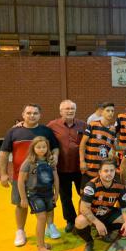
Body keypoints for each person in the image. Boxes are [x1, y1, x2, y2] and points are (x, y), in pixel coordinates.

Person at [0, 104, 60, 247]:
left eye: (35, 113)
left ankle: (50, 226)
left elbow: (55, 147)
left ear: (40, 115)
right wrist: (3, 174)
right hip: (20, 177)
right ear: (23, 114)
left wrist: (55, 157)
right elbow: (4, 154)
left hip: (43, 178)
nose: (32, 115)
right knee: (21, 204)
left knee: (49, 202)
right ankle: (20, 230)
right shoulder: (13, 132)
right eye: (29, 113)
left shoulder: (46, 131)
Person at [47, 100, 87, 233]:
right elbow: (40, 135)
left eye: (72, 109)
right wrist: (20, 126)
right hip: (61, 168)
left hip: (80, 168)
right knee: (65, 197)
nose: (70, 111)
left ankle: (84, 218)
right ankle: (70, 220)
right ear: (60, 111)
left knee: (84, 194)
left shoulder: (83, 125)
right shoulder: (52, 125)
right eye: (67, 109)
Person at [75, 159, 126, 251]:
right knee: (79, 222)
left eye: (112, 170)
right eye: (106, 171)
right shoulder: (91, 186)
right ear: (100, 172)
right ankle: (89, 241)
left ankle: (106, 232)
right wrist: (97, 222)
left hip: (107, 213)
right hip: (93, 215)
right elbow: (83, 208)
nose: (109, 173)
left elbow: (125, 208)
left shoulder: (120, 187)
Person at [17, 136, 60, 251]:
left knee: (46, 217)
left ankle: (42, 243)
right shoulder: (28, 162)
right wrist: (24, 198)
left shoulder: (50, 161)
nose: (41, 149)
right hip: (35, 195)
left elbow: (56, 178)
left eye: (44, 147)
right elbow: (21, 181)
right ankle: (40, 247)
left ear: (47, 148)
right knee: (41, 218)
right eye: (38, 147)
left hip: (48, 194)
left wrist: (56, 193)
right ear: (33, 148)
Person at [79, 102, 116, 191]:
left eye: (112, 111)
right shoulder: (93, 125)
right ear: (102, 112)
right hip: (89, 169)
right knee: (83, 195)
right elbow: (82, 144)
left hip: (102, 172)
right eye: (108, 110)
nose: (110, 113)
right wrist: (82, 161)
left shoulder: (112, 131)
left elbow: (114, 148)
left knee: (98, 196)